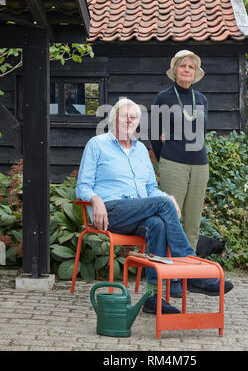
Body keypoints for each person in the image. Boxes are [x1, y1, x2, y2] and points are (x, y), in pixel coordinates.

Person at [76, 98, 233, 315]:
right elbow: (82, 185)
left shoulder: (141, 150)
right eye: (124, 116)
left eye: (133, 118)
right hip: (110, 211)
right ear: (113, 119)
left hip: (138, 213)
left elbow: (150, 189)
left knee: (157, 224)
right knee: (162, 204)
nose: (129, 121)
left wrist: (167, 197)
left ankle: (153, 298)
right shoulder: (97, 144)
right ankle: (190, 272)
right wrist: (96, 200)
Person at [150, 50, 210, 298]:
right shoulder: (163, 97)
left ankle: (188, 274)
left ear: (195, 73)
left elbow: (203, 133)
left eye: (191, 67)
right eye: (182, 66)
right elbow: (155, 134)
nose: (187, 70)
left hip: (200, 164)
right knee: (171, 219)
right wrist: (167, 156)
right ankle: (170, 276)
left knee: (192, 222)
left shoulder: (202, 99)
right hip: (172, 162)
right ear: (175, 70)